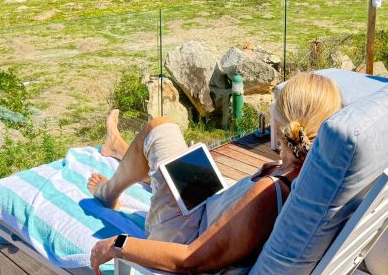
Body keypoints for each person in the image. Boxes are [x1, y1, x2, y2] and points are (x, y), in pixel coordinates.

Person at [87, 73, 342, 274]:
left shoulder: (267, 193)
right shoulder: (302, 172)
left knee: (160, 127)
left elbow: (190, 259)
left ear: (280, 121)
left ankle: (108, 190)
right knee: (169, 152)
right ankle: (124, 152)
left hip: (180, 233)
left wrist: (118, 244)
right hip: (204, 208)